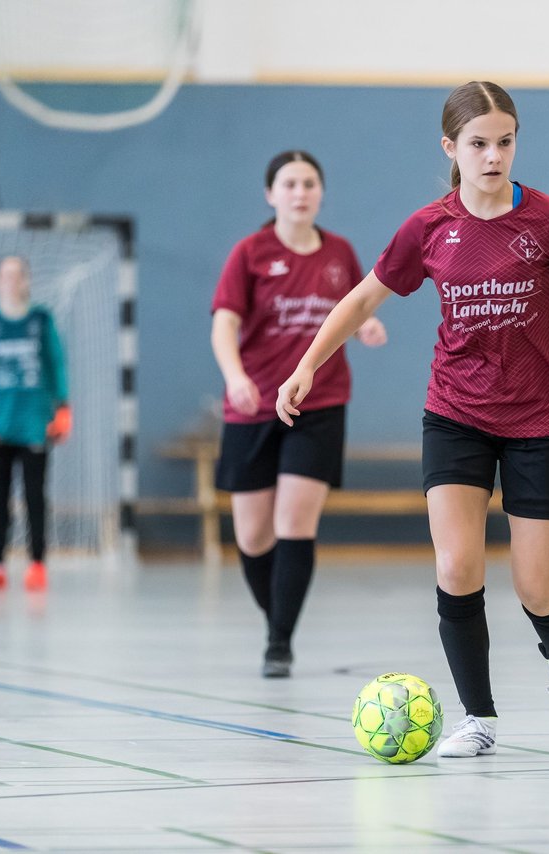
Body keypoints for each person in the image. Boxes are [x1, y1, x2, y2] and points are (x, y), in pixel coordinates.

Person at [276, 82, 549, 756]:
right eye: (478, 143)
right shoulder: (428, 229)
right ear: (451, 147)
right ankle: (478, 720)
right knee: (457, 567)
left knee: (537, 586)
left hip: (540, 420)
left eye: (505, 141)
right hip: (456, 413)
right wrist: (308, 364)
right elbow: (362, 302)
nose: (493, 155)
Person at [211, 150, 388, 678]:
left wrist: (367, 328)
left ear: (320, 192)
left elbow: (354, 310)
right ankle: (277, 618)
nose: (300, 192)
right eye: (289, 183)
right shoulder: (250, 253)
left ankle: (279, 642)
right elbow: (224, 323)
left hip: (320, 404)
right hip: (254, 405)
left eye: (309, 182)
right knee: (252, 536)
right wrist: (235, 376)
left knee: (294, 523)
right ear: (271, 194)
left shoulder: (340, 254)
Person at [0, 255, 71, 592]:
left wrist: (63, 406)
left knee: (35, 496)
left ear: (27, 280)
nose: (12, 281)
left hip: (34, 423)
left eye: (18, 275)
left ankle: (37, 563)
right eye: (5, 275)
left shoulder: (41, 320)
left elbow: (56, 363)